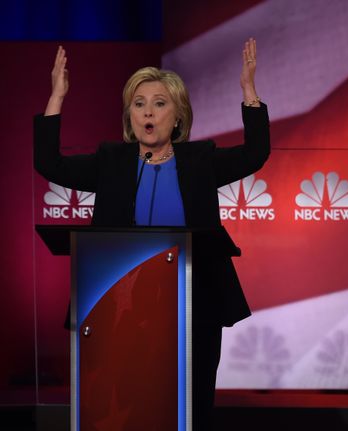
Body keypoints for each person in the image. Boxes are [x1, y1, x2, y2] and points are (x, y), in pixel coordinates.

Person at [34, 39, 269, 429]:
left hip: (193, 305)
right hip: (120, 306)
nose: (148, 111)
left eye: (159, 103)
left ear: (177, 115)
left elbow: (254, 154)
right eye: (139, 103)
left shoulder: (200, 161)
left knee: (189, 408)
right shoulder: (112, 161)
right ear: (130, 115)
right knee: (125, 407)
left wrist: (248, 92)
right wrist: (57, 96)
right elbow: (50, 163)